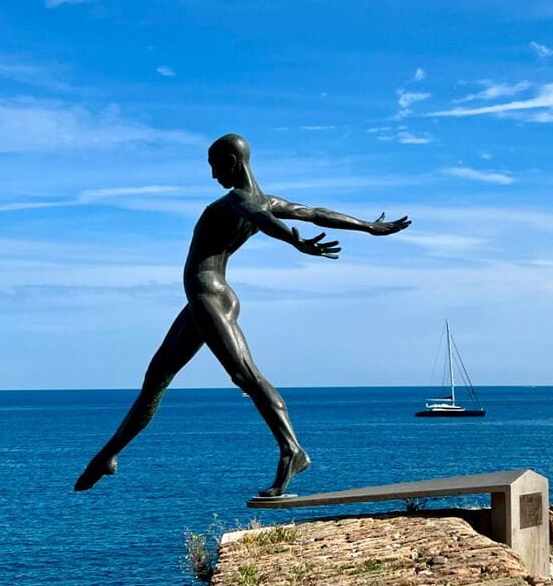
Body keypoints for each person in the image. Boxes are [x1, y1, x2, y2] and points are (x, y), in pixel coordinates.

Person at [74, 133, 411, 497]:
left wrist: (294, 241)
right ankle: (108, 454)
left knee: (245, 375)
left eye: (214, 166)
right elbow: (313, 213)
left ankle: (292, 450)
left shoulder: (239, 200)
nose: (213, 174)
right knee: (157, 377)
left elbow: (263, 219)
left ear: (232, 162)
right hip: (203, 300)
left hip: (210, 296)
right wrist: (366, 225)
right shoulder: (265, 200)